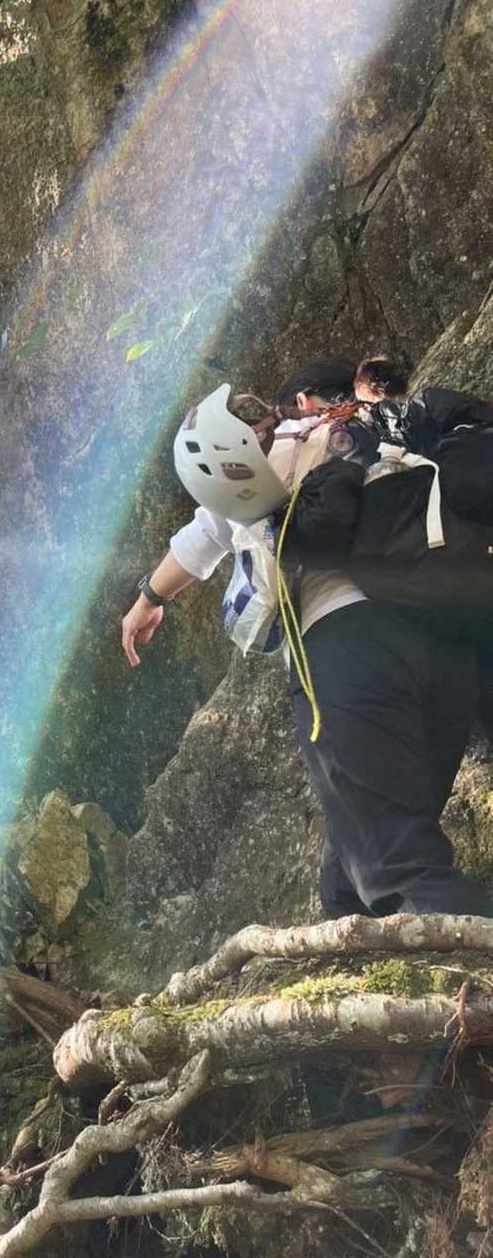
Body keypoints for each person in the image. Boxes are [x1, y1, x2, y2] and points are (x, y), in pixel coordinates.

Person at [121, 359, 493, 920]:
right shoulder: (376, 429)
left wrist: (148, 599)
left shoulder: (264, 466)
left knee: (398, 869)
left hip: (350, 650)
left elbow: (200, 539)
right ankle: (348, 927)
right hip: (448, 642)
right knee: (352, 874)